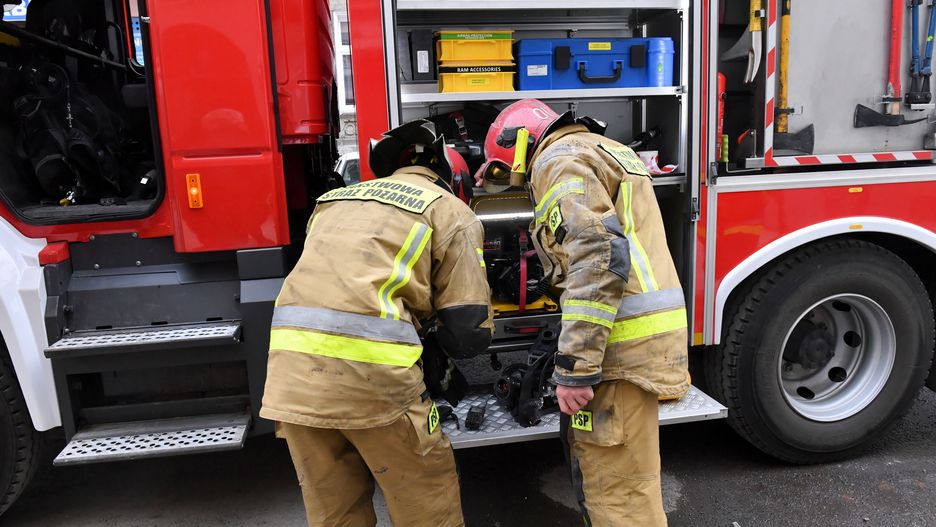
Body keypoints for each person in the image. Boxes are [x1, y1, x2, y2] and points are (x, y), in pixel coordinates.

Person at [261, 120, 493, 527]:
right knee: (427, 501)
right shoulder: (449, 210)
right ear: (452, 180)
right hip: (375, 382)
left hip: (292, 380)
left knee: (337, 514)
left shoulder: (332, 201)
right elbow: (469, 331)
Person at [478, 99, 690, 526]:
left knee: (619, 496)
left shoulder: (558, 161)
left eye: (511, 170)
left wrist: (575, 367)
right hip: (633, 338)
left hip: (618, 347)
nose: (519, 181)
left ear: (519, 146)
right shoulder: (600, 148)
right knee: (617, 479)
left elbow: (597, 253)